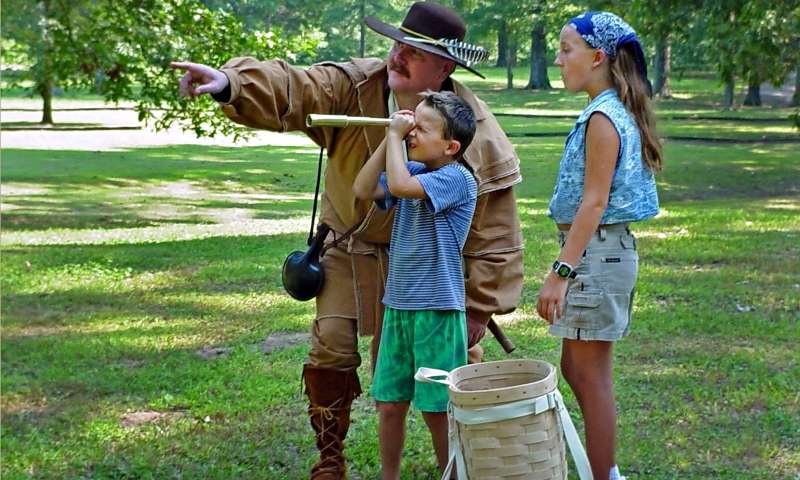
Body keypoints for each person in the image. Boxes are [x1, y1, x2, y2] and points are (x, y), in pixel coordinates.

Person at [171, 3, 524, 478]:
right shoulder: (353, 85)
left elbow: (495, 230)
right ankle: (331, 459)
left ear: (444, 69)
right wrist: (231, 83)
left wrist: (479, 306)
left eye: (415, 53)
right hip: (348, 247)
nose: (397, 56)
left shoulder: (474, 129)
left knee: (449, 376)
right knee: (332, 347)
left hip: (429, 271)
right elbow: (296, 86)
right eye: (397, 44)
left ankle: (463, 466)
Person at [535, 11, 662, 480]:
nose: (558, 59)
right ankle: (604, 469)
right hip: (598, 253)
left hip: (596, 257)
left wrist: (559, 273)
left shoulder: (604, 118)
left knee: (590, 376)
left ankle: (605, 473)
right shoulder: (606, 111)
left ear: (597, 57)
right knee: (578, 370)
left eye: (566, 49)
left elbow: (594, 202)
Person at [352, 91, 477, 478]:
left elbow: (402, 187)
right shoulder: (414, 170)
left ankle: (451, 474)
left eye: (422, 128)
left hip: (437, 310)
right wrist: (388, 137)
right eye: (411, 126)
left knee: (437, 408)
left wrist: (394, 137)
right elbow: (363, 189)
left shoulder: (457, 178)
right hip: (399, 306)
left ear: (451, 146)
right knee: (390, 403)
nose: (411, 133)